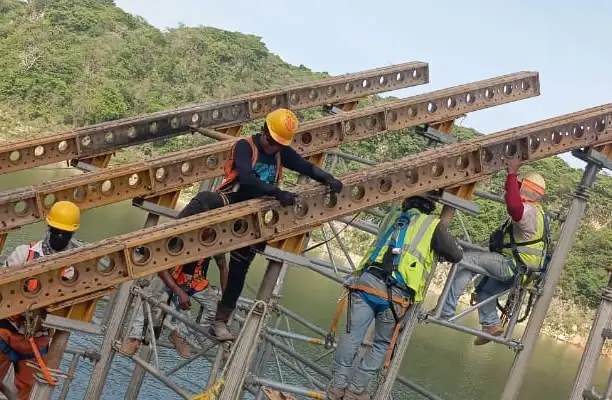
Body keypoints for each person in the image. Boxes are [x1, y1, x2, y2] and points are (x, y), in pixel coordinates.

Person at [176, 108, 343, 342]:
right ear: (264, 131)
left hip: (256, 213)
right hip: (235, 198)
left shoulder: (280, 152)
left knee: (240, 267)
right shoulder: (246, 146)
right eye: (273, 142)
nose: (275, 148)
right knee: (204, 200)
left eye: (279, 145)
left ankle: (221, 320)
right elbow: (246, 178)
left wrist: (328, 178)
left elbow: (305, 167)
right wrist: (276, 192)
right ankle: (168, 240)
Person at [326, 195, 463, 400]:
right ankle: (355, 391)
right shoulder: (431, 225)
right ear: (428, 209)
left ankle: (337, 386)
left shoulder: (391, 217)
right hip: (396, 294)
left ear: (405, 203)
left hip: (367, 282)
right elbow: (455, 255)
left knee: (351, 335)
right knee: (382, 344)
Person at [440, 158, 548, 345]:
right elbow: (511, 199)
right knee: (485, 291)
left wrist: (512, 173)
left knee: (465, 260)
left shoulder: (528, 212)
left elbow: (514, 206)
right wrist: (510, 180)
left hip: (513, 266)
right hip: (523, 272)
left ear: (526, 189)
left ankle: (445, 310)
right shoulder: (540, 213)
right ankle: (491, 324)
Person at [0, 201, 82, 400]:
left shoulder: (73, 269)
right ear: (49, 229)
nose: (59, 237)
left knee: (26, 392)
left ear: (71, 235)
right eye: (56, 232)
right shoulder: (23, 254)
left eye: (65, 234)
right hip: (5, 330)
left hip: (36, 340)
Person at [119, 255, 223, 358]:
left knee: (218, 311)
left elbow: (223, 266)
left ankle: (180, 335)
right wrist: (179, 292)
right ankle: (135, 337)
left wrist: (227, 300)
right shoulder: (176, 240)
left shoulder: (216, 240)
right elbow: (161, 268)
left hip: (196, 280)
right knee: (149, 295)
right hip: (169, 274)